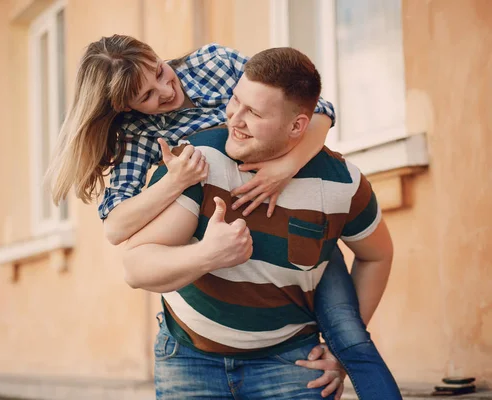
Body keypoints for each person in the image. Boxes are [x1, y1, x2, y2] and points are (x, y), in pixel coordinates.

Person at [46, 35, 401, 399]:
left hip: (303, 258)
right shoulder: (138, 134)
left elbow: (315, 111)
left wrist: (284, 167)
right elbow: (117, 228)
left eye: (159, 71)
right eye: (146, 96)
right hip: (194, 344)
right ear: (125, 108)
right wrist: (176, 182)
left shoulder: (211, 63)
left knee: (352, 339)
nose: (165, 90)